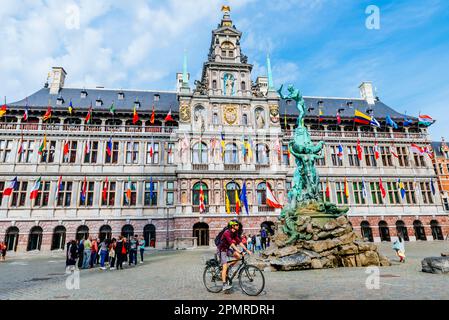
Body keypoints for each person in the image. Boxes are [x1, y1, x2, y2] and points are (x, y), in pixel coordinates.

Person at [217, 220, 251, 292]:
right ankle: (224, 285)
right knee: (225, 266)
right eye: (237, 225)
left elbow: (239, 242)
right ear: (233, 226)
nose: (238, 226)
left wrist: (246, 250)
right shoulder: (227, 233)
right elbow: (232, 244)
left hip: (227, 249)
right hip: (222, 250)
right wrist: (239, 251)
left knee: (238, 257)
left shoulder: (234, 233)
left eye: (238, 225)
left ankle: (229, 266)